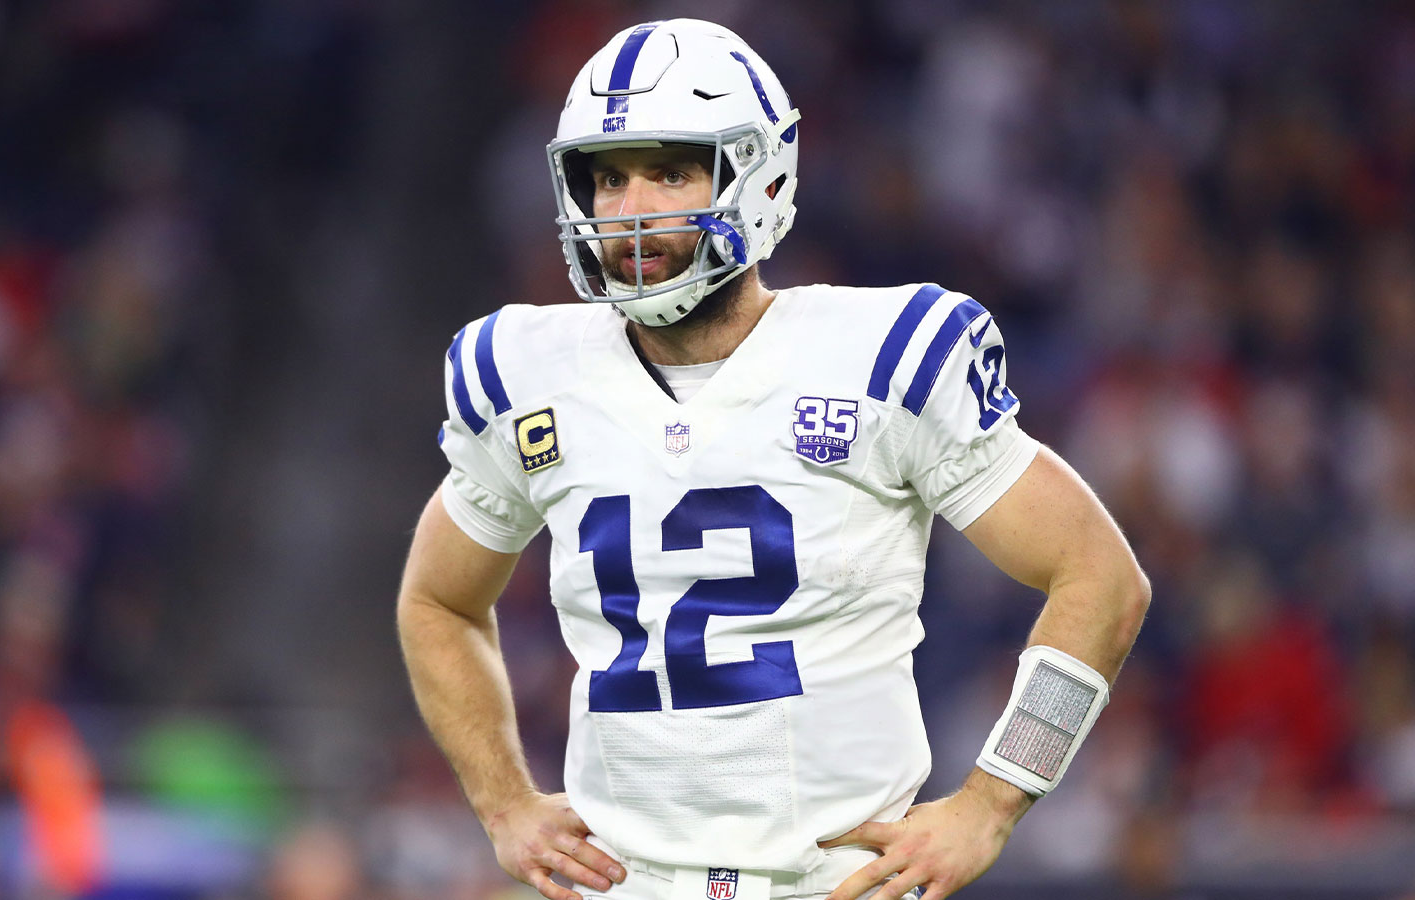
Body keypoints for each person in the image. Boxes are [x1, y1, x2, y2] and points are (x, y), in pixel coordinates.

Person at [397, 18, 1150, 900]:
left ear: (757, 176)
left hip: (832, 883)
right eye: (608, 178)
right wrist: (503, 804)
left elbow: (1101, 577)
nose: (633, 210)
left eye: (670, 171)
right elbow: (437, 599)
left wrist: (991, 802)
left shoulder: (885, 356)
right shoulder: (526, 371)